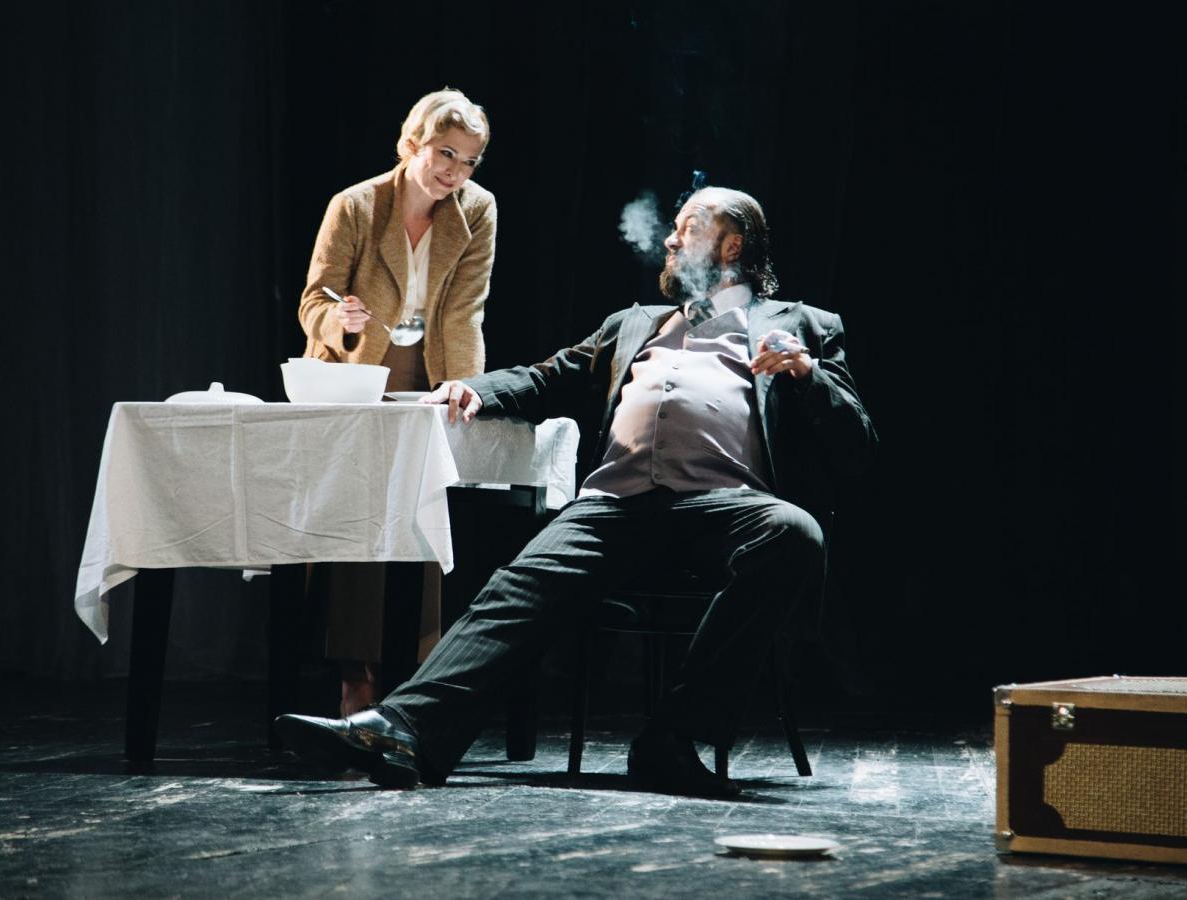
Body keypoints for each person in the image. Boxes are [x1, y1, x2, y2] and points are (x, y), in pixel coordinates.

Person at [278, 185, 876, 797]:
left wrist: (807, 373)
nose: (670, 239)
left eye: (689, 228)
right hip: (616, 506)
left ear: (731, 245)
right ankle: (403, 729)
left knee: (795, 533)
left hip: (724, 507)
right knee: (514, 588)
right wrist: (475, 389)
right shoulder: (634, 324)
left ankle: (672, 740)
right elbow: (547, 377)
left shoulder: (801, 326)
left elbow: (856, 446)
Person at [298, 89, 496, 715]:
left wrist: (465, 385)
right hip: (354, 374)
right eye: (446, 154)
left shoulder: (477, 210)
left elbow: (465, 310)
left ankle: (416, 681)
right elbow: (315, 301)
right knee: (356, 521)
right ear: (412, 144)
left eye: (469, 160)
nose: (456, 172)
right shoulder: (356, 205)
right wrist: (341, 321)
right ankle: (355, 674)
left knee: (422, 514)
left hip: (428, 373)